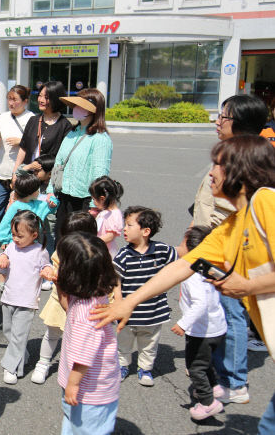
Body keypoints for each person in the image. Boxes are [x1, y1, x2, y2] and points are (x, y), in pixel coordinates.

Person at [92, 135, 275, 434]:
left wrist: (248, 287)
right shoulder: (231, 226)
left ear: (243, 170)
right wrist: (128, 301)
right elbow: (181, 266)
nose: (211, 173)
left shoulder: (267, 201)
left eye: (218, 165)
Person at [189, 94, 270, 403]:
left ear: (242, 123)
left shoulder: (251, 160)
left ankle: (234, 380)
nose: (217, 122)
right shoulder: (227, 151)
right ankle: (213, 366)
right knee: (213, 304)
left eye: (223, 117)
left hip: (230, 246)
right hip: (209, 239)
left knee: (232, 310)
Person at [56, 232, 120, 435]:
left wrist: (73, 384)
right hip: (85, 384)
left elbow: (84, 355)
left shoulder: (87, 312)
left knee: (86, 429)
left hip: (89, 389)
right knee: (74, 423)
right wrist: (59, 285)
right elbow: (66, 306)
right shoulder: (90, 293)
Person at [31, 211, 97, 385]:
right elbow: (55, 269)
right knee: (52, 333)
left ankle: (76, 369)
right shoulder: (61, 252)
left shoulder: (96, 255)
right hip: (60, 299)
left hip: (84, 305)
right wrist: (49, 273)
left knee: (79, 339)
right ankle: (43, 362)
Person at [114, 206, 177, 386]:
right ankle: (123, 365)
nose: (124, 229)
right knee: (123, 344)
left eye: (129, 225)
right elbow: (115, 279)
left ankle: (145, 368)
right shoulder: (124, 255)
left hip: (153, 312)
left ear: (146, 231)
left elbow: (179, 262)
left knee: (149, 344)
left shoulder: (162, 250)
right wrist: (118, 302)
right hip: (128, 313)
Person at [172, 225, 227, 421]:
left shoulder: (191, 274)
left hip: (202, 331)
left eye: (183, 243)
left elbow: (200, 303)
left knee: (195, 367)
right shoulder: (209, 267)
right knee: (206, 362)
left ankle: (207, 403)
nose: (180, 246)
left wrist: (183, 323)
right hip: (217, 327)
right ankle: (215, 388)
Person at [0, 211, 51, 385]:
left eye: (20, 236)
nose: (15, 239)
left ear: (34, 235)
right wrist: (2, 257)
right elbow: (3, 261)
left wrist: (47, 271)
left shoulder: (39, 251)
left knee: (19, 335)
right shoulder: (11, 246)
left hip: (27, 301)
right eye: (13, 234)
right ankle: (22, 354)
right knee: (9, 331)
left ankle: (11, 367)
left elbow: (47, 265)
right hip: (8, 296)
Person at [53, 88, 113, 237]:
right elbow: (59, 162)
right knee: (61, 241)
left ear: (93, 110)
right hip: (64, 196)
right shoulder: (72, 132)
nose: (76, 109)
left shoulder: (100, 138)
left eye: (81, 106)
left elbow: (100, 175)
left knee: (78, 243)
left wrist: (94, 206)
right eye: (76, 105)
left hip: (84, 200)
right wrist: (50, 190)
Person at [0, 85, 35, 241]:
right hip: (2, 171)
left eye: (15, 100)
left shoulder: (31, 118)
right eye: (9, 99)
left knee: (20, 209)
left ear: (25, 101)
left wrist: (21, 141)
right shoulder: (2, 118)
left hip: (22, 173)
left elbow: (36, 143)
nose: (11, 103)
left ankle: (18, 238)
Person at [13, 81, 73, 176]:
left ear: (56, 99)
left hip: (48, 179)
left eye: (46, 97)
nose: (41, 100)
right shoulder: (33, 120)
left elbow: (64, 157)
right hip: (28, 177)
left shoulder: (65, 125)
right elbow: (23, 148)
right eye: (40, 96)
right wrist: (15, 173)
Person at [89, 176, 124, 258]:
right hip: (98, 249)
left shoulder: (115, 215)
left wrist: (91, 242)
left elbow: (110, 236)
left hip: (105, 253)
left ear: (102, 199)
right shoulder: (105, 211)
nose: (93, 202)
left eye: (94, 199)